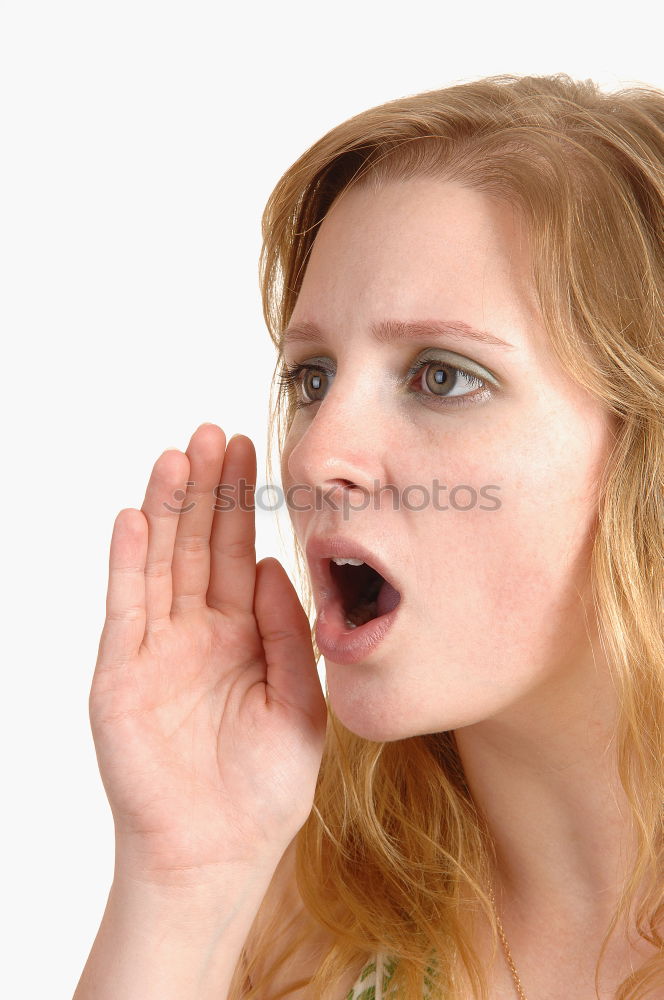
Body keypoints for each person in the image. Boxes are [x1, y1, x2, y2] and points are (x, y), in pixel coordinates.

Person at [73, 73, 663, 1000]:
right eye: (313, 378)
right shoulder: (308, 933)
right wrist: (182, 886)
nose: (313, 459)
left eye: (441, 376)